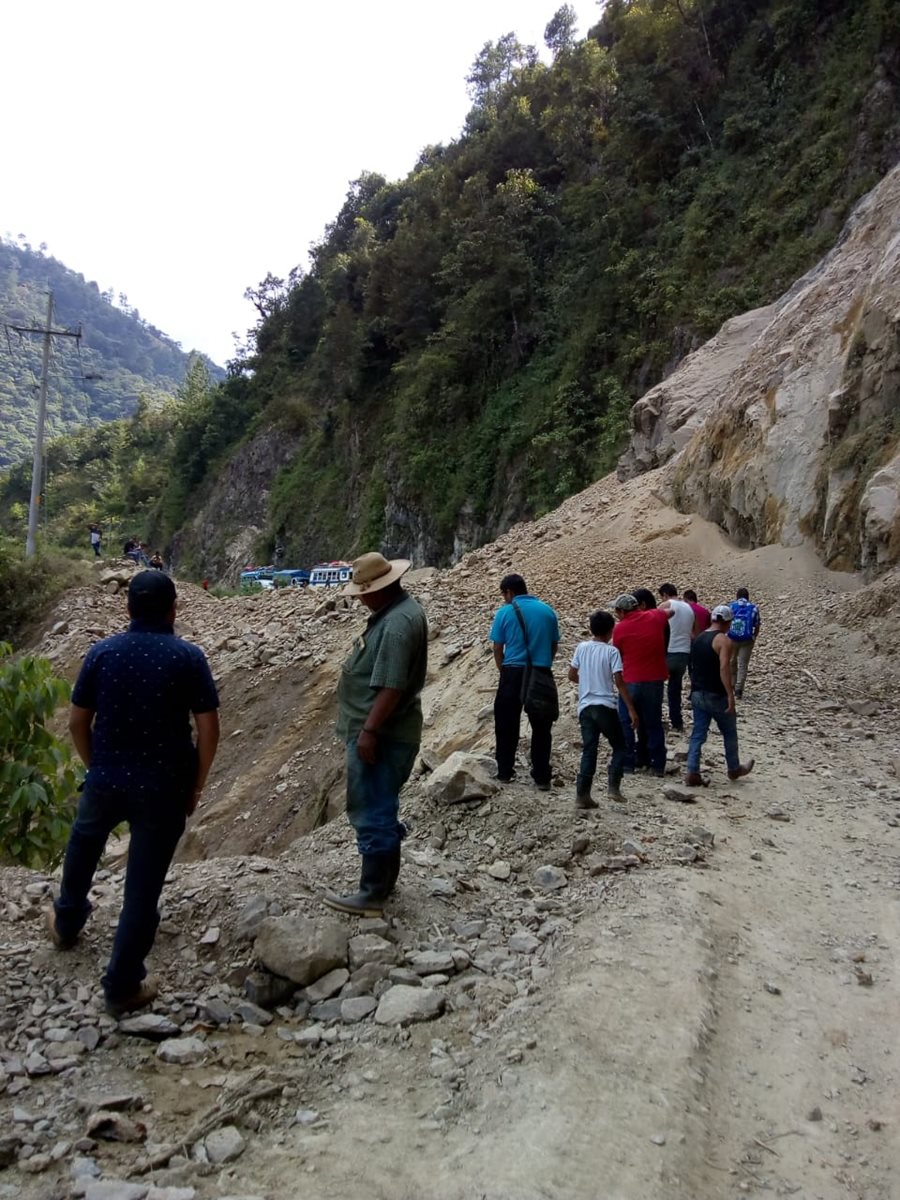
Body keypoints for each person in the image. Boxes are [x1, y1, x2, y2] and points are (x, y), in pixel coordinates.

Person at [45, 571, 220, 1016]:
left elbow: (77, 721)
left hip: (105, 780)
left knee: (83, 847)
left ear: (128, 610)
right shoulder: (188, 657)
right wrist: (196, 783)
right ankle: (123, 985)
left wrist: (96, 766)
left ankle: (66, 923)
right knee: (142, 887)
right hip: (163, 788)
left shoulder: (102, 653)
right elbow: (208, 729)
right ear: (174, 609)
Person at [324, 552, 428, 917]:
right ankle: (384, 884)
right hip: (387, 731)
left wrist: (369, 731)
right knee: (382, 805)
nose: (360, 599)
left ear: (377, 589)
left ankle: (372, 893)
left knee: (372, 809)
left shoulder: (397, 624)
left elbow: (391, 686)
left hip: (383, 734)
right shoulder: (398, 613)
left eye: (362, 592)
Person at [490, 573, 560, 791]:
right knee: (541, 727)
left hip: (512, 672)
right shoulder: (548, 611)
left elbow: (497, 648)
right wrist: (542, 664)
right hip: (540, 672)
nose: (503, 598)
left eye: (504, 594)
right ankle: (541, 777)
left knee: (506, 723)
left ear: (509, 592)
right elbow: (553, 646)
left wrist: (504, 670)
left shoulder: (505, 612)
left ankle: (504, 772)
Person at [569, 610, 639, 808]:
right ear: (611, 630)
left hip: (585, 707)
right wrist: (632, 710)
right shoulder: (612, 651)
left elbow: (572, 675)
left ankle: (582, 795)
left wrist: (587, 682)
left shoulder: (582, 647)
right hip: (605, 706)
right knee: (619, 746)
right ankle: (613, 787)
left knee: (589, 749)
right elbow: (620, 683)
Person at [685, 604, 754, 785]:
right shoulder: (723, 640)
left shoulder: (699, 638)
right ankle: (733, 768)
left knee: (698, 733)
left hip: (698, 692)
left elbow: (692, 665)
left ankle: (692, 770)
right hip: (716, 694)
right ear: (726, 622)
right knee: (729, 732)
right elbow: (724, 667)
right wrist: (730, 694)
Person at [611, 592, 673, 777]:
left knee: (627, 721)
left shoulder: (619, 629)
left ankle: (628, 763)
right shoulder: (655, 616)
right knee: (653, 722)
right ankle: (658, 765)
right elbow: (671, 612)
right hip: (654, 680)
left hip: (630, 680)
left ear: (622, 611)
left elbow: (617, 654)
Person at [658, 583, 695, 733]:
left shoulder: (666, 605)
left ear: (665, 594)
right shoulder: (689, 608)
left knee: (657, 686)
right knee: (675, 689)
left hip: (668, 651)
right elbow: (693, 632)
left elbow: (652, 622)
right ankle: (676, 721)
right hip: (684, 653)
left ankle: (657, 718)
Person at [728, 587, 761, 698]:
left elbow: (726, 622)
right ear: (747, 596)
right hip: (747, 640)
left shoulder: (731, 606)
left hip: (732, 638)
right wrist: (753, 637)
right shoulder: (754, 608)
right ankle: (739, 690)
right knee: (743, 664)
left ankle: (732, 684)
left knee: (732, 661)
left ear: (737, 596)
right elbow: (757, 625)